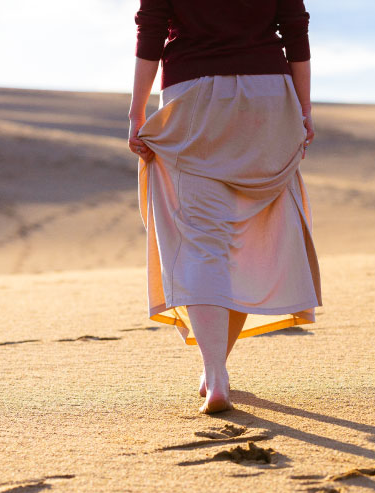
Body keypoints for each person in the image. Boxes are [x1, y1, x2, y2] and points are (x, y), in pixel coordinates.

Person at [128, 0, 323, 414]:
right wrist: (304, 109)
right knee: (247, 239)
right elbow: (295, 31)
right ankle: (215, 370)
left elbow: (151, 30)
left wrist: (136, 113)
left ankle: (216, 371)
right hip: (270, 97)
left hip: (194, 95)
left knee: (203, 243)